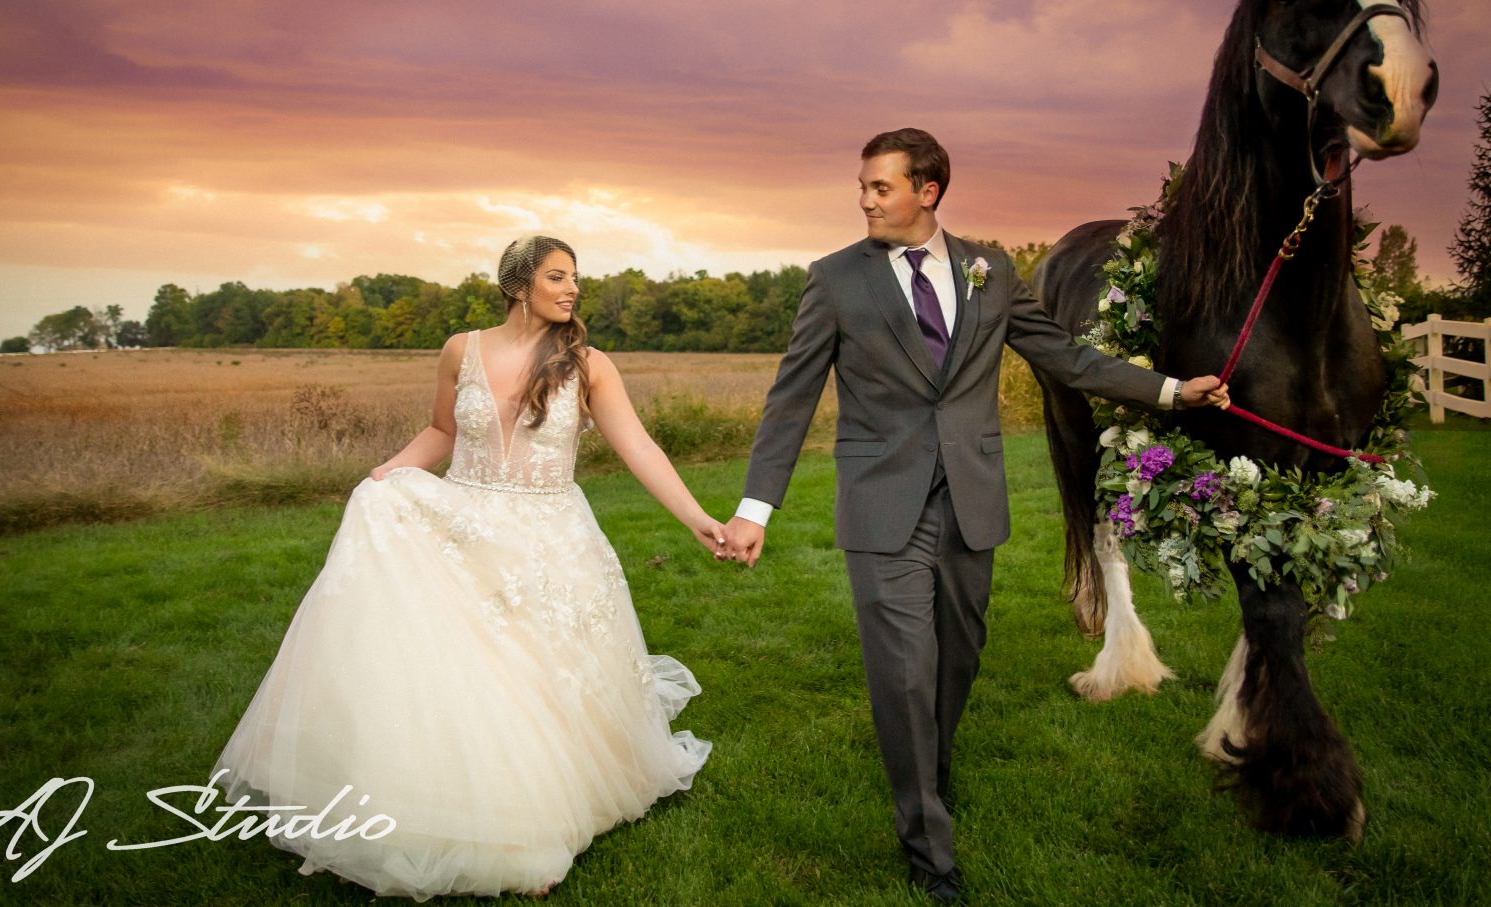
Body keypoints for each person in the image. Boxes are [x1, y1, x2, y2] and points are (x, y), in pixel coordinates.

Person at [718, 128, 1228, 902]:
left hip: (971, 501)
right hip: (881, 504)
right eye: (861, 186)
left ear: (928, 191)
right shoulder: (834, 281)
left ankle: (932, 772)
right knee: (901, 669)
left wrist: (1167, 389)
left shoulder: (991, 272)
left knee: (956, 658)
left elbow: (1067, 357)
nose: (864, 200)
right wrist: (756, 508)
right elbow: (790, 400)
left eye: (879, 187)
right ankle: (929, 846)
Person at [211, 235, 720, 899]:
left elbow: (640, 447)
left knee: (541, 678)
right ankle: (480, 814)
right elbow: (443, 433)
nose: (572, 290)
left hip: (551, 536)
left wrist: (697, 517)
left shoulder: (588, 364)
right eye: (557, 277)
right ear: (518, 285)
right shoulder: (462, 348)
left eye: (575, 278)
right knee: (475, 678)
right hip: (465, 523)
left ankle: (542, 815)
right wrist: (389, 474)